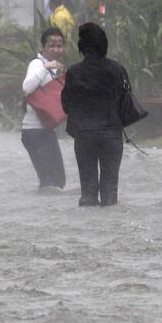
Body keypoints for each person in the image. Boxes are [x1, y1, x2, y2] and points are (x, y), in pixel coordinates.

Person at [60, 22, 128, 206]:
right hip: (111, 135)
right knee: (110, 190)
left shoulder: (74, 72)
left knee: (88, 191)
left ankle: (87, 232)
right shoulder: (117, 69)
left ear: (81, 46)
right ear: (104, 44)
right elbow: (125, 101)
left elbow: (66, 105)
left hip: (84, 135)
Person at [21, 27, 67, 191]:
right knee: (49, 181)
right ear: (43, 47)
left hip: (47, 131)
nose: (56, 49)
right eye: (51, 45)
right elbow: (26, 88)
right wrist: (46, 68)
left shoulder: (57, 69)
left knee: (58, 180)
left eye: (59, 45)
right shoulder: (37, 64)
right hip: (33, 132)